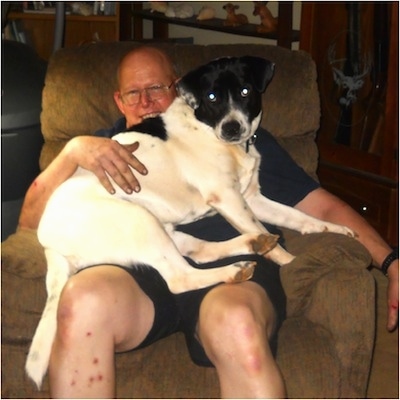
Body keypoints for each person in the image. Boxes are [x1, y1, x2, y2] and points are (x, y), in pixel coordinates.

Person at [19, 46, 398, 398]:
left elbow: (324, 208)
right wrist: (72, 152)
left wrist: (391, 262)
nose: (146, 101)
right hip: (136, 271)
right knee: (81, 301)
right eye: (133, 93)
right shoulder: (104, 145)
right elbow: (30, 224)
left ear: (183, 90)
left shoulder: (244, 138)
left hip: (234, 270)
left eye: (156, 87)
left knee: (237, 325)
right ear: (118, 101)